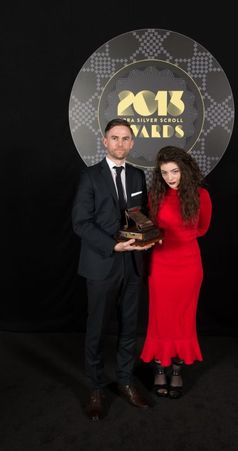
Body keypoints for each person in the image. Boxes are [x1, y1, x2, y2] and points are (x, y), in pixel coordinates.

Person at [72, 118, 154, 420]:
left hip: (132, 264)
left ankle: (124, 380)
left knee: (129, 328)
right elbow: (81, 223)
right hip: (101, 263)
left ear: (132, 144)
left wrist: (147, 238)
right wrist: (112, 245)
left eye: (125, 138)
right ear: (105, 141)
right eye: (114, 138)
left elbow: (140, 215)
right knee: (96, 330)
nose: (120, 143)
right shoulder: (89, 177)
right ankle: (95, 387)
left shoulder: (137, 175)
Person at [140, 146, 212, 399]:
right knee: (160, 317)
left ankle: (177, 370)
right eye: (164, 172)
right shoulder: (154, 196)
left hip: (189, 266)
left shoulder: (201, 195)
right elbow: (149, 228)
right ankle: (160, 368)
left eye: (175, 171)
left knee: (183, 318)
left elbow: (202, 228)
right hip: (161, 265)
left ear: (185, 170)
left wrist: (181, 237)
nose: (170, 177)